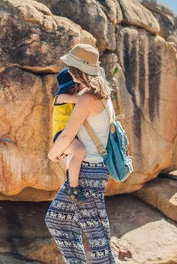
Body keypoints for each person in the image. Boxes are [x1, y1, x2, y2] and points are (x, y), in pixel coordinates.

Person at [45, 43, 117, 263]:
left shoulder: (87, 98)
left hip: (89, 172)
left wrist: (51, 155)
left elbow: (67, 136)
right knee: (57, 220)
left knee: (97, 236)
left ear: (77, 70)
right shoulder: (100, 95)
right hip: (90, 170)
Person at [52, 68, 87, 202]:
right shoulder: (60, 97)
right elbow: (79, 99)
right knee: (79, 150)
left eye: (74, 86)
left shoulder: (72, 98)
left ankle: (71, 181)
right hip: (61, 135)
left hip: (71, 134)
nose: (73, 89)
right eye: (70, 87)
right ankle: (72, 187)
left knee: (77, 154)